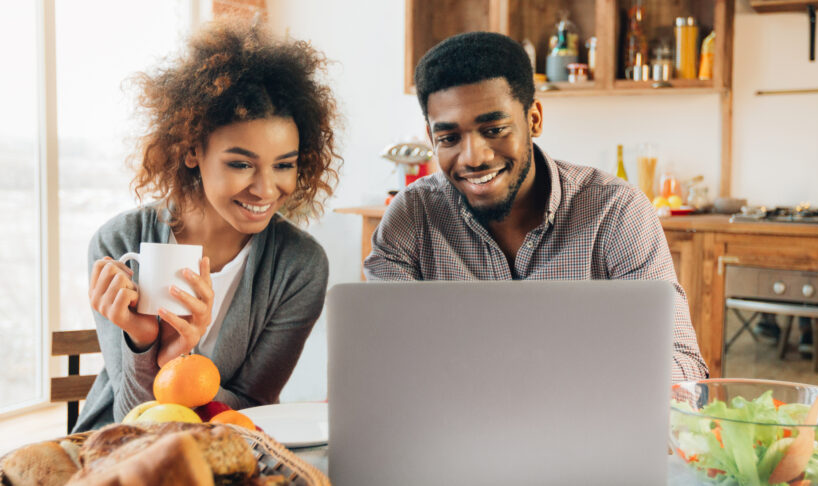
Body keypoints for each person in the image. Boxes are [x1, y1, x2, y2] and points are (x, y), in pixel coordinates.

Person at [364, 32, 707, 382]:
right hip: (454, 430)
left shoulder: (616, 211)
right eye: (449, 138)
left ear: (534, 119)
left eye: (494, 129)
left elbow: (680, 364)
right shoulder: (412, 218)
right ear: (430, 137)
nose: (474, 158)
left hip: (585, 427)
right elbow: (387, 361)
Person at [76, 19, 340, 432]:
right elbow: (131, 420)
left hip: (226, 455)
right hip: (114, 452)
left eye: (284, 165)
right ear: (192, 150)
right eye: (241, 164)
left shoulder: (299, 265)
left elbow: (251, 407)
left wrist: (179, 363)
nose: (266, 189)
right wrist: (143, 343)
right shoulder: (121, 241)